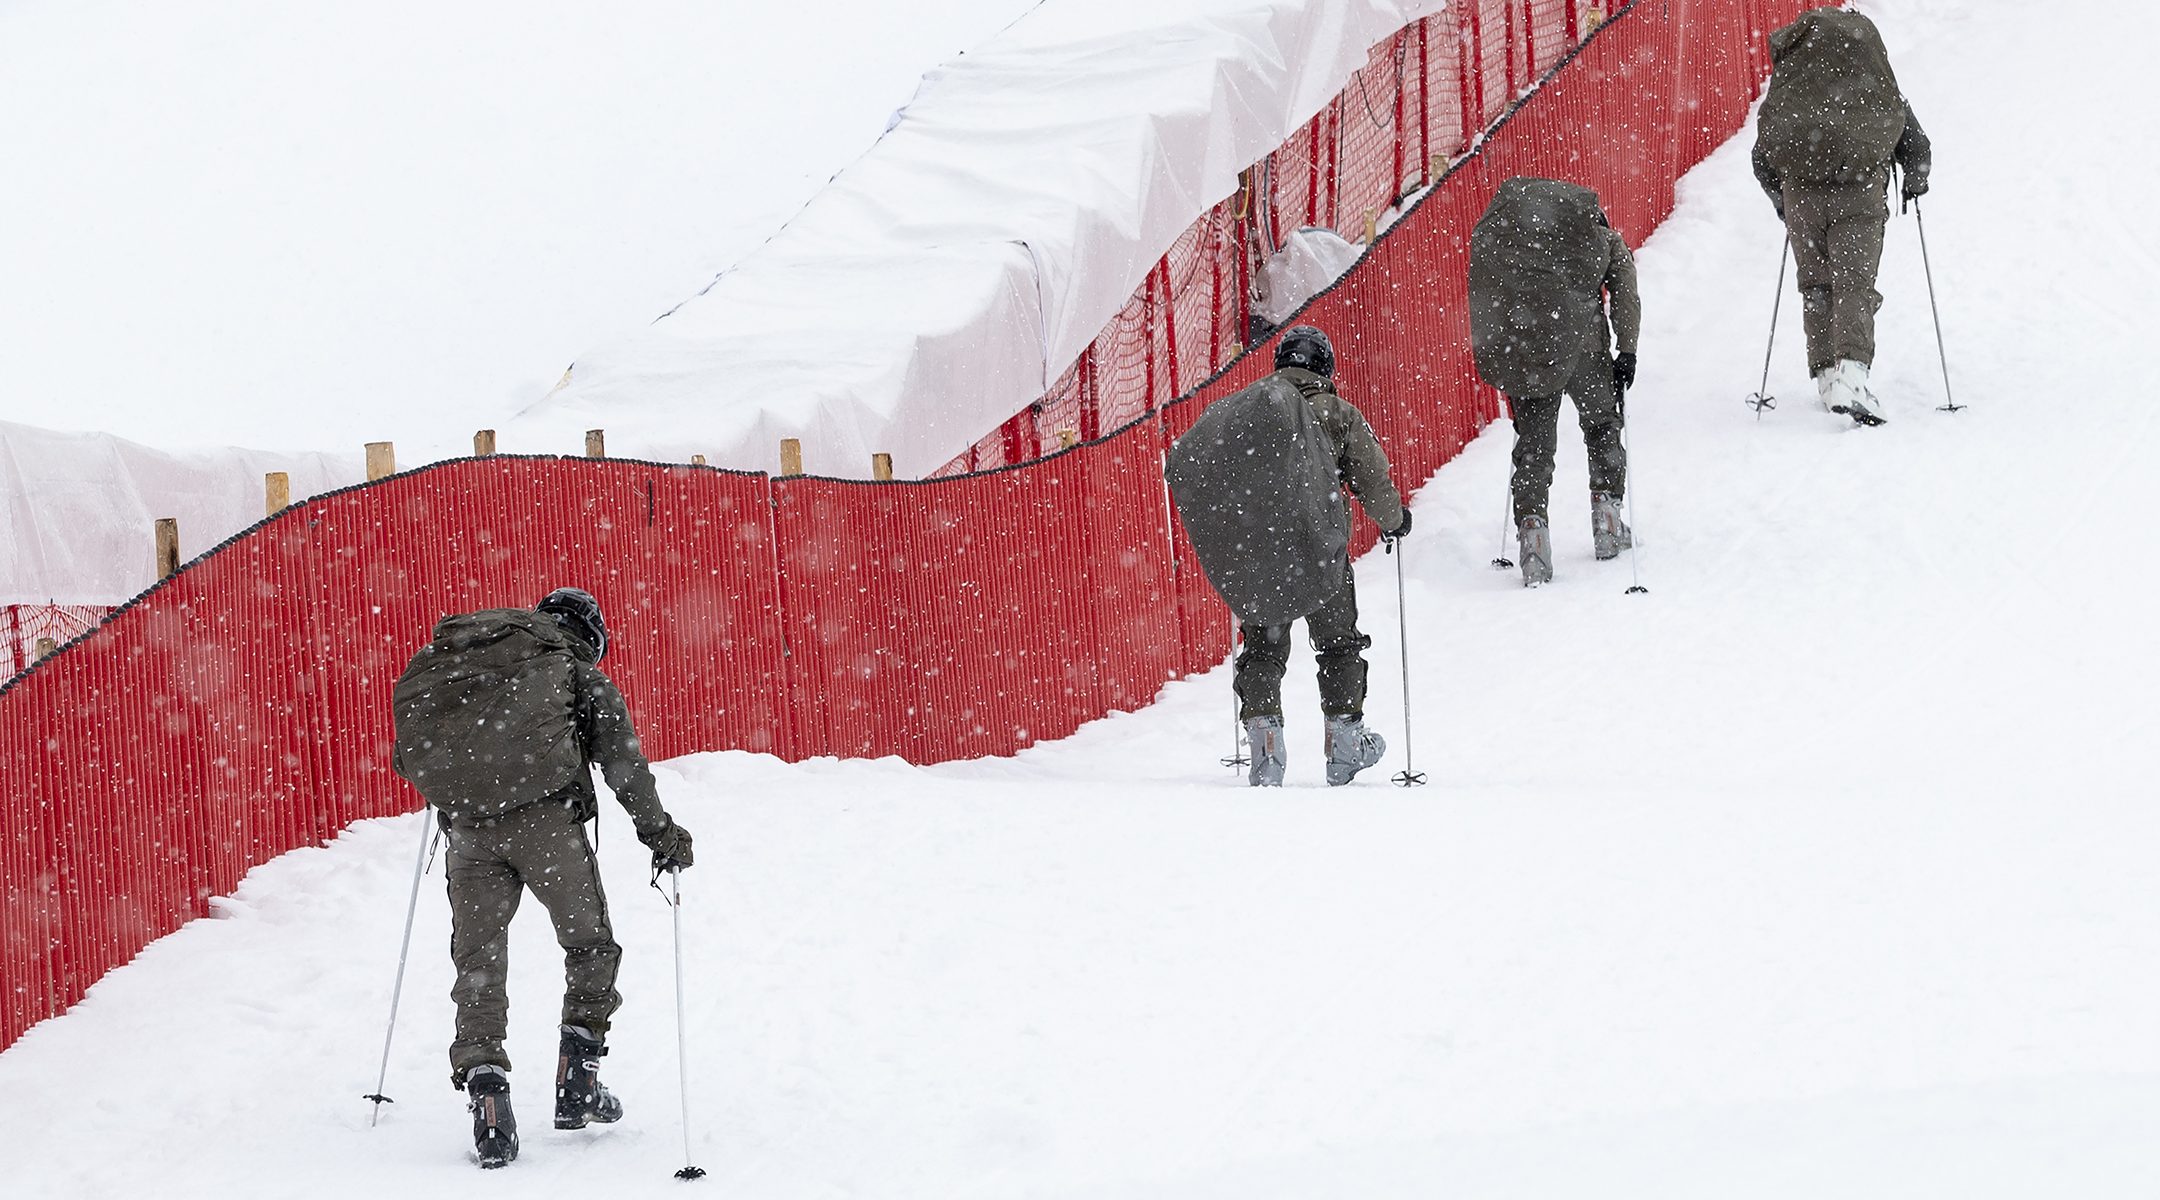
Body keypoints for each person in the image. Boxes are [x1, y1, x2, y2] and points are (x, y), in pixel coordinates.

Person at [392, 586, 695, 1169]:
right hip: (546, 826)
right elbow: (623, 762)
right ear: (591, 635)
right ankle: (577, 1080)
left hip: (470, 831)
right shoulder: (571, 667)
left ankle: (487, 1098)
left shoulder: (472, 661)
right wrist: (662, 836)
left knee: (479, 961)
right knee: (589, 945)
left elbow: (409, 756)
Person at [1165, 325, 1410, 787]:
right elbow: (1371, 477)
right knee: (1338, 644)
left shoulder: (1250, 413)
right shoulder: (1336, 412)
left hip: (1260, 554)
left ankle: (1265, 747)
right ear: (1325, 367)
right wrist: (1395, 520)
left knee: (1262, 649)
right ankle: (1344, 744)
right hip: (1321, 552)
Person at [1751, 6, 1931, 426]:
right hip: (1859, 193)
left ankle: (1827, 374)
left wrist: (1783, 200)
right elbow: (1914, 140)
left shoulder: (1792, 90)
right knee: (1854, 285)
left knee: (1816, 285)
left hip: (1802, 198)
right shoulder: (1874, 85)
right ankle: (1851, 372)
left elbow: (1762, 156)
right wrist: (1914, 182)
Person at [1468, 176, 1641, 587]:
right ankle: (1607, 518)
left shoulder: (1515, 250)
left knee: (1533, 447)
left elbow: (1491, 296)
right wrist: (1627, 350)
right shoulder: (1599, 238)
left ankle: (1533, 539)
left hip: (1530, 350)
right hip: (1585, 345)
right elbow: (1625, 290)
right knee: (1601, 426)